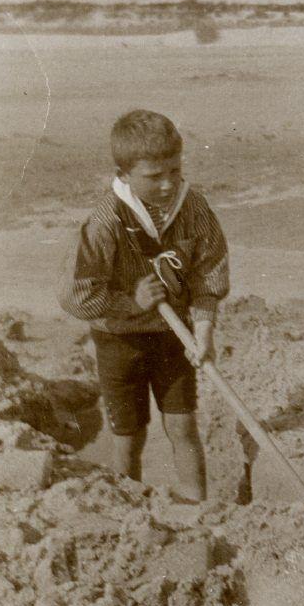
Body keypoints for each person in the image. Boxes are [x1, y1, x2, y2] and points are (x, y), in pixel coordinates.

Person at [58, 110, 229, 503]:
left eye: (175, 169)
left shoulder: (194, 208)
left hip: (174, 337)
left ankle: (194, 504)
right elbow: (76, 293)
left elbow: (208, 275)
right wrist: (130, 302)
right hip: (119, 343)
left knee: (183, 426)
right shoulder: (105, 222)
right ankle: (128, 509)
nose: (168, 184)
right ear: (124, 173)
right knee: (128, 438)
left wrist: (203, 330)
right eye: (154, 177)